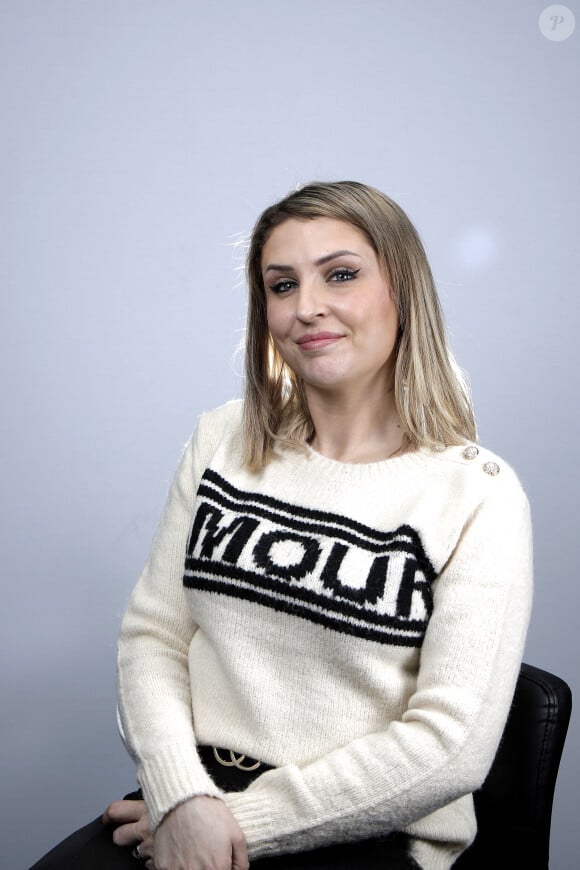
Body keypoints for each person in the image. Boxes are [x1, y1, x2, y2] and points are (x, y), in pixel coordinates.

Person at [31, 181, 532, 870]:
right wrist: (182, 800)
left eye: (342, 275)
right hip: (190, 792)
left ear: (404, 292)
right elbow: (154, 636)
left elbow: (451, 745)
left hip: (364, 830)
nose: (307, 307)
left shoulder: (478, 495)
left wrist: (239, 823)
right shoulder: (222, 440)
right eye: (282, 284)